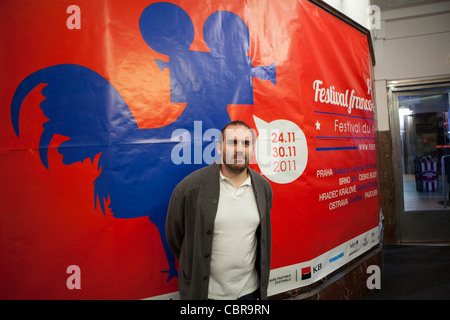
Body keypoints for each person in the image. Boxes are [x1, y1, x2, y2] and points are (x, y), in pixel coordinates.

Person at [165, 120, 273, 300]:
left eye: (246, 143)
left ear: (253, 149)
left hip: (250, 293)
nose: (240, 149)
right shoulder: (190, 189)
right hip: (205, 294)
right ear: (219, 148)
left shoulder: (263, 188)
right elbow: (175, 237)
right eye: (232, 142)